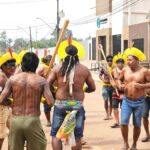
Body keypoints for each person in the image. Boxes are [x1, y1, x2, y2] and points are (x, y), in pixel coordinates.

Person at [0, 52, 54, 150]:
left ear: (22, 64)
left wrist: (12, 102)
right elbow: (50, 102)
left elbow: (1, 99)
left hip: (16, 120)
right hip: (33, 120)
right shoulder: (41, 81)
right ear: (36, 65)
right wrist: (40, 98)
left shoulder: (12, 80)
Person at [47, 45, 96, 150]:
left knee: (56, 136)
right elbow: (92, 88)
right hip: (76, 105)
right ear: (77, 55)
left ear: (65, 55)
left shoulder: (57, 68)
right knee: (77, 137)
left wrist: (54, 90)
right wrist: (83, 90)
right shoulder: (84, 70)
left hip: (61, 104)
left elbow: (47, 84)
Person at [118, 51, 150, 150]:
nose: (128, 62)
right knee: (123, 123)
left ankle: (134, 144)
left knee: (137, 124)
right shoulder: (124, 70)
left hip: (139, 102)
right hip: (126, 101)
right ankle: (125, 143)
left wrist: (142, 85)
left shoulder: (144, 71)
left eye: (130, 60)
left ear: (137, 60)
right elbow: (119, 79)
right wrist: (120, 85)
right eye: (127, 60)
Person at [0, 52, 17, 150]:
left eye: (14, 66)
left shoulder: (7, 76)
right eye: (10, 66)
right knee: (1, 135)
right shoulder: (1, 78)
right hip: (1, 109)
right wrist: (12, 102)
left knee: (14, 132)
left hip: (7, 108)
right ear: (3, 66)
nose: (13, 68)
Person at [37, 55, 55, 127]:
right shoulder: (43, 69)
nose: (52, 62)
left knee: (58, 105)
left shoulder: (55, 68)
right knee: (47, 106)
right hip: (47, 90)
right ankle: (48, 121)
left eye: (52, 60)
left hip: (55, 90)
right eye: (50, 61)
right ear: (47, 61)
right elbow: (38, 77)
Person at [111, 55, 125, 128]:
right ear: (116, 63)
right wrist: (112, 83)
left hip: (124, 91)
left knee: (124, 107)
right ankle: (117, 121)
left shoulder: (126, 71)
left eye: (122, 62)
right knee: (114, 106)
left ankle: (123, 121)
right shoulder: (113, 71)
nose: (120, 64)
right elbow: (110, 78)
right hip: (115, 91)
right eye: (119, 62)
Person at [99, 55, 114, 120]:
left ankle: (110, 114)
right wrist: (102, 79)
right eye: (108, 61)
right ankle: (107, 114)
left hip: (112, 87)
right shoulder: (104, 68)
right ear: (106, 61)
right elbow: (100, 75)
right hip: (105, 86)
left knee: (111, 101)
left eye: (111, 61)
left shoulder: (114, 68)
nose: (110, 62)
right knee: (105, 100)